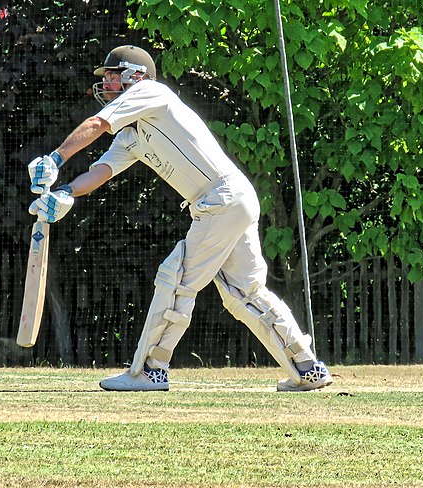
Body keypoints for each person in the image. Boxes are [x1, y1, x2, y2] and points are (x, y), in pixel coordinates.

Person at [27, 45, 333, 392]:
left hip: (221, 197)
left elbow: (97, 124)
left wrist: (55, 157)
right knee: (245, 292)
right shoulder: (131, 135)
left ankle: (151, 370)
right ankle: (308, 368)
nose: (107, 83)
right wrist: (64, 193)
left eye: (113, 75)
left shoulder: (152, 93)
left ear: (135, 75)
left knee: (176, 280)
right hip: (233, 199)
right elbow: (100, 172)